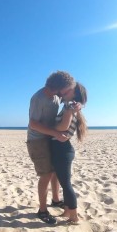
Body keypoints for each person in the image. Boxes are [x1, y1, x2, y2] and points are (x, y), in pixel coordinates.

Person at [26, 71, 81, 224]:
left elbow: (75, 98)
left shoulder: (57, 96)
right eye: (67, 89)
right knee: (45, 175)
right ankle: (42, 211)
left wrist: (79, 104)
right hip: (37, 141)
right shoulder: (39, 98)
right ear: (59, 88)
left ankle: (56, 200)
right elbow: (33, 124)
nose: (68, 92)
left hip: (50, 138)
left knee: (55, 172)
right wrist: (55, 134)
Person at [50, 82, 88, 224]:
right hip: (62, 148)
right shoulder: (73, 106)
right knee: (63, 180)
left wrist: (49, 127)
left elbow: (63, 126)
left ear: (75, 92)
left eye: (69, 89)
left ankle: (74, 216)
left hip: (61, 149)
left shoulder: (70, 105)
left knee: (66, 184)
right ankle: (67, 211)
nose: (65, 91)